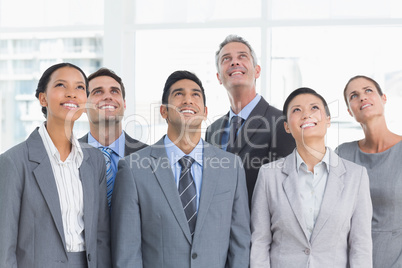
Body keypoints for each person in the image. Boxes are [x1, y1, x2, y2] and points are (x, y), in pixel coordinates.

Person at [111, 70, 250, 268]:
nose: (188, 100)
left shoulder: (231, 167)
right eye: (178, 94)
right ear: (163, 111)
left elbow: (240, 245)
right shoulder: (133, 169)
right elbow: (127, 252)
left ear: (205, 111)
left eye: (195, 95)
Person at [0, 63, 111, 267]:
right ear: (43, 98)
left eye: (79, 87)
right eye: (61, 85)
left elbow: (101, 235)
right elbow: (4, 245)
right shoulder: (13, 162)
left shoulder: (94, 160)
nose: (71, 94)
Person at [251, 87, 372, 267]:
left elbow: (360, 245)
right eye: (296, 110)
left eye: (314, 108)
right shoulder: (269, 175)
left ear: (328, 120)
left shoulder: (356, 176)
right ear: (286, 126)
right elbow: (260, 242)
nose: (306, 114)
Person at [205, 34, 295, 205]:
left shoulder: (281, 122)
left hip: (258, 228)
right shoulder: (212, 131)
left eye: (242, 56)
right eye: (226, 59)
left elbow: (284, 192)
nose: (234, 62)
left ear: (257, 71)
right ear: (218, 77)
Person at [336, 75, 402, 268]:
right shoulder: (343, 154)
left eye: (368, 91)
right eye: (354, 96)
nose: (362, 97)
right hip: (352, 258)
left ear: (384, 98)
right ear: (350, 111)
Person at [79, 68, 147, 207]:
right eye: (98, 91)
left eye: (114, 91)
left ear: (124, 104)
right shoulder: (68, 154)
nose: (108, 97)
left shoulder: (149, 157)